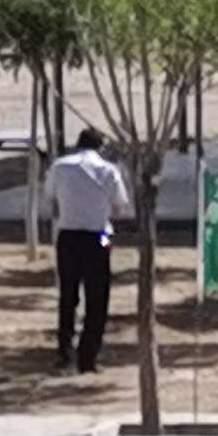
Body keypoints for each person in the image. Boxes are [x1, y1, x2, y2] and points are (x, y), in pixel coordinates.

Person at [45, 127, 127, 376]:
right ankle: (88, 356)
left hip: (68, 234)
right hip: (100, 235)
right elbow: (119, 205)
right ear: (100, 147)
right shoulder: (108, 170)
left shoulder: (60, 167)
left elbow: (51, 198)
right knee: (98, 295)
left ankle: (64, 351)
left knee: (67, 293)